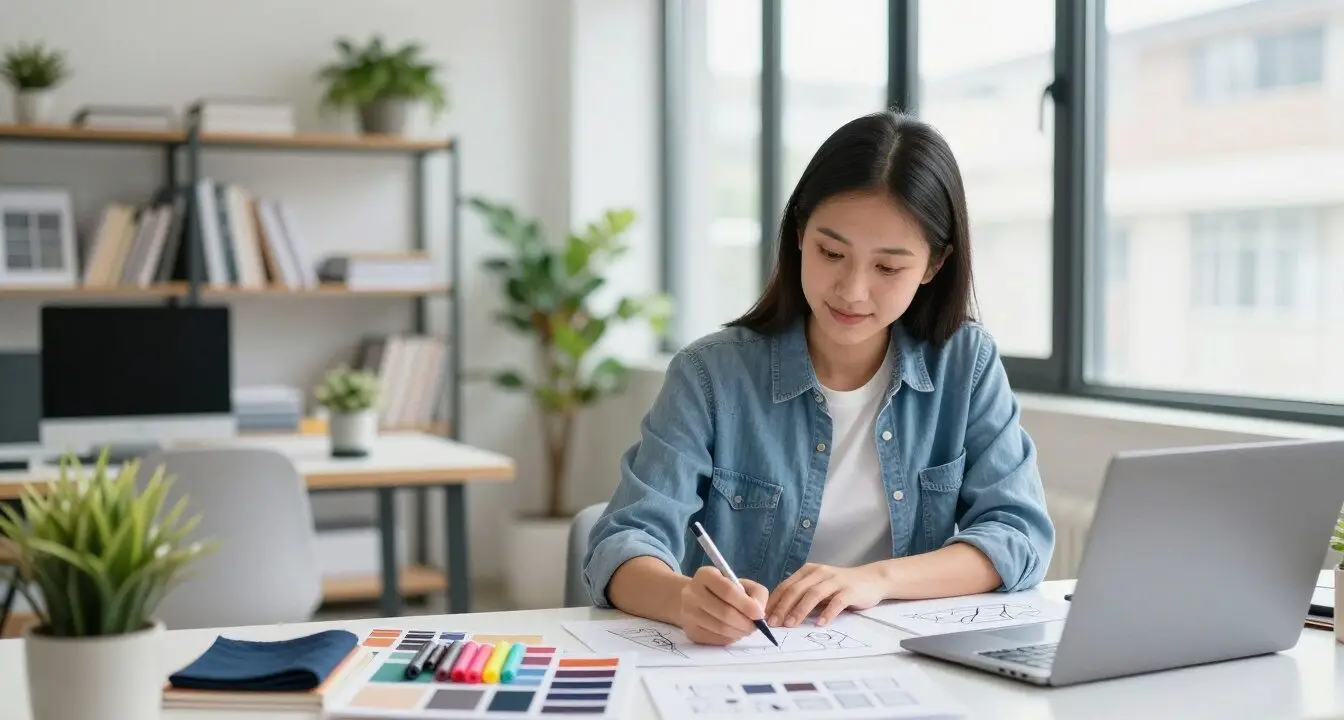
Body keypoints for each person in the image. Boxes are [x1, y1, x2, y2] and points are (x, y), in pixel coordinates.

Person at [581, 110, 1055, 646]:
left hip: (897, 665)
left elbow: (1017, 535)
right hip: (745, 669)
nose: (852, 290)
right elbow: (621, 545)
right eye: (832, 253)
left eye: (888, 268)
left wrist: (874, 580)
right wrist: (686, 600)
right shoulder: (709, 376)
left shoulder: (965, 365)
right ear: (800, 234)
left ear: (932, 265)